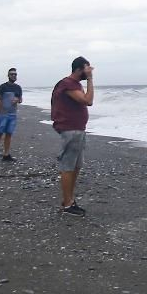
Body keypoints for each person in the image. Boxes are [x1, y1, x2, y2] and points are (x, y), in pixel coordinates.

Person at [51, 56, 95, 216]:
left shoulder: (74, 84)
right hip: (71, 130)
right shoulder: (68, 84)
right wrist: (90, 79)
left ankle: (68, 200)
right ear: (78, 69)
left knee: (76, 166)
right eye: (86, 68)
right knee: (68, 166)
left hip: (78, 130)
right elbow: (88, 101)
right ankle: (68, 204)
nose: (89, 71)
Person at [0, 67, 23, 162]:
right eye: (12, 74)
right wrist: (0, 110)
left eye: (15, 74)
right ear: (8, 75)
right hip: (3, 114)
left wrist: (17, 100)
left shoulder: (18, 88)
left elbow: (20, 99)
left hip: (13, 114)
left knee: (9, 134)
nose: (13, 76)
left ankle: (6, 154)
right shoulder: (3, 87)